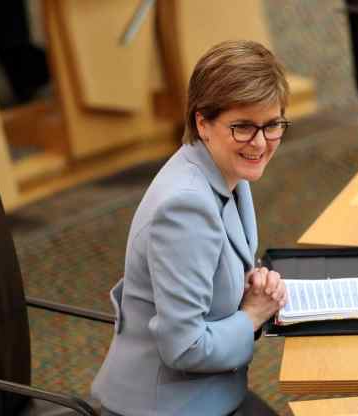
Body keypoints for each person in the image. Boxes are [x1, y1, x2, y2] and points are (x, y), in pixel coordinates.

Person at [92, 40, 290, 416]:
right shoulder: (185, 207)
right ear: (203, 123)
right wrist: (253, 314)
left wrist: (252, 286)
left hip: (211, 391)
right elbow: (184, 348)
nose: (260, 142)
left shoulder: (225, 170)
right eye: (243, 127)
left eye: (272, 125)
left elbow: (213, 269)